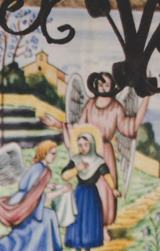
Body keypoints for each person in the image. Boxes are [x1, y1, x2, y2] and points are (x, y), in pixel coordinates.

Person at [42, 71, 148, 237]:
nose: (103, 87)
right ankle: (88, 227)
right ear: (96, 85)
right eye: (100, 84)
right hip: (87, 151)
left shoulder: (116, 107)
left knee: (105, 189)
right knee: (89, 189)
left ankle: (103, 227)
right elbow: (78, 126)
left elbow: (130, 127)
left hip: (105, 151)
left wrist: (147, 98)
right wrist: (58, 124)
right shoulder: (90, 104)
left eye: (107, 84)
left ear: (112, 86)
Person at [0, 140, 62, 251]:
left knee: (49, 214)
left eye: (55, 154)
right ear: (44, 153)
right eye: (52, 153)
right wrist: (60, 192)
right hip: (24, 205)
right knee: (44, 219)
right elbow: (32, 195)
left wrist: (46, 186)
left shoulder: (42, 168)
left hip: (30, 203)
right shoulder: (39, 169)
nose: (54, 156)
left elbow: (35, 189)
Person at [61, 130, 121, 251]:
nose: (82, 148)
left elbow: (107, 175)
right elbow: (64, 175)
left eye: (85, 145)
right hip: (79, 193)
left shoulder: (98, 161)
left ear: (92, 145)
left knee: (88, 222)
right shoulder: (76, 160)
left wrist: (113, 189)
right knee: (76, 222)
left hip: (91, 196)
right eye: (80, 145)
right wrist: (77, 169)